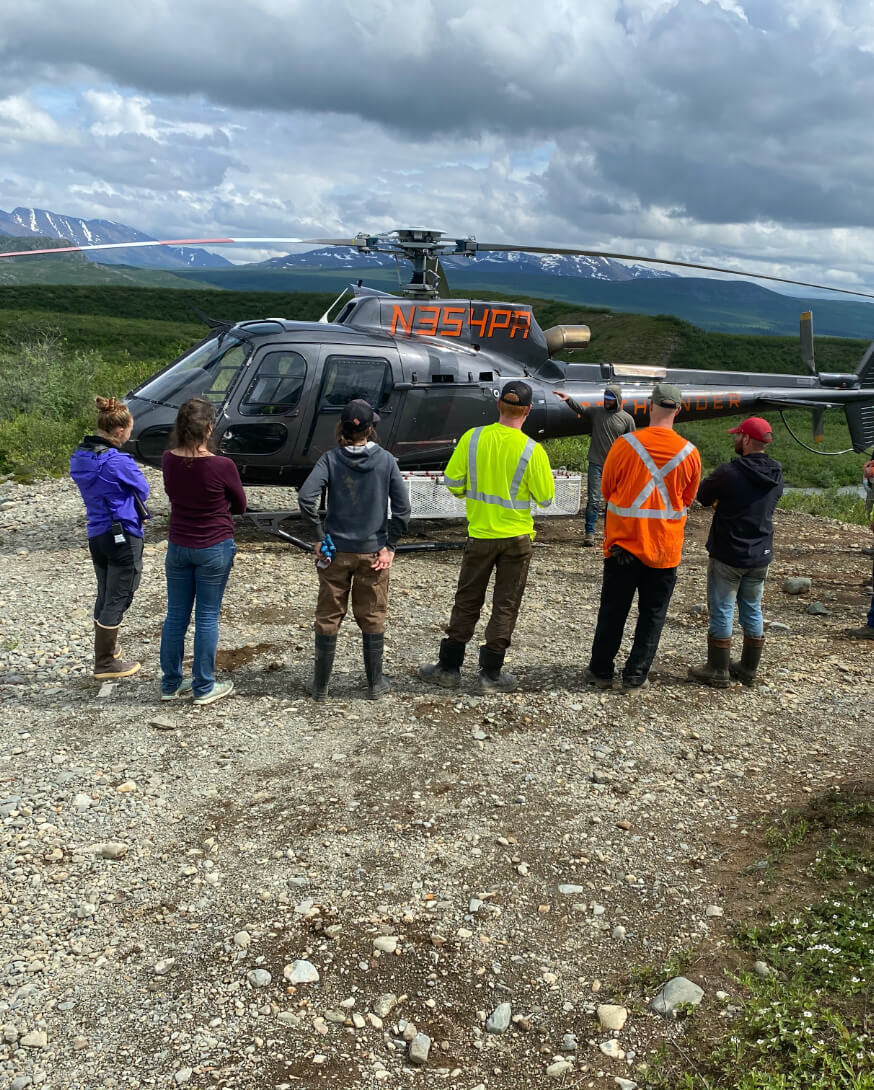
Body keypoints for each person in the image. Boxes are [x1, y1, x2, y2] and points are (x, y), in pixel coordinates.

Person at [418, 380, 555, 693]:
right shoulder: (532, 450)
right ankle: (490, 674)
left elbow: (453, 481)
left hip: (480, 535)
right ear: (528, 410)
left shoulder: (473, 437)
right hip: (517, 539)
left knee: (467, 600)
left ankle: (449, 668)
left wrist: (472, 491)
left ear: (498, 406)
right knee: (505, 604)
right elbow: (545, 498)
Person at [585, 382, 701, 691]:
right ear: (678, 410)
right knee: (652, 616)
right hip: (664, 550)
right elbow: (687, 500)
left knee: (613, 611)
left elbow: (607, 490)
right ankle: (635, 676)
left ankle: (600, 671)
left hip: (624, 546)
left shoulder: (625, 445)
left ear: (649, 407)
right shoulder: (690, 454)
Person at [297, 399, 411, 701]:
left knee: (328, 615)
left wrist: (319, 536)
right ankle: (375, 684)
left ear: (342, 429)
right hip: (373, 552)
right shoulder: (386, 461)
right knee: (372, 614)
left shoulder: (330, 459)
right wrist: (390, 546)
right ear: (371, 429)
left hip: (336, 551)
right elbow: (403, 509)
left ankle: (320, 687)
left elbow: (307, 497)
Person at [159, 397, 246, 706]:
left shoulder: (168, 459)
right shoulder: (222, 465)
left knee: (175, 616)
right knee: (207, 617)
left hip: (179, 545)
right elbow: (240, 504)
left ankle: (170, 683)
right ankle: (203, 686)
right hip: (213, 546)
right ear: (209, 428)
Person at [688, 417, 783, 687]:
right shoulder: (776, 472)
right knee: (752, 609)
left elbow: (703, 496)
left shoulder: (729, 472)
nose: (735, 439)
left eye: (737, 435)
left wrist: (724, 502)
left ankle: (717, 670)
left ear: (746, 439)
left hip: (728, 553)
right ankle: (749, 669)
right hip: (761, 553)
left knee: (722, 609)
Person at [70, 396, 151, 679]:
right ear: (119, 431)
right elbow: (143, 488)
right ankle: (105, 663)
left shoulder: (80, 456)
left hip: (97, 533)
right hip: (123, 534)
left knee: (105, 593)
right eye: (130, 429)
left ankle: (107, 653)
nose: (130, 433)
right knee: (121, 594)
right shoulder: (117, 461)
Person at [554, 385, 635, 547]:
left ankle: (610, 534)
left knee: (613, 502)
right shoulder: (597, 412)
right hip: (596, 463)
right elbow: (582, 410)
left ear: (617, 401)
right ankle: (589, 534)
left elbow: (632, 444)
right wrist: (568, 399)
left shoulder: (627, 419)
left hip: (615, 466)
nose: (606, 402)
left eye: (610, 400)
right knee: (593, 500)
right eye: (605, 398)